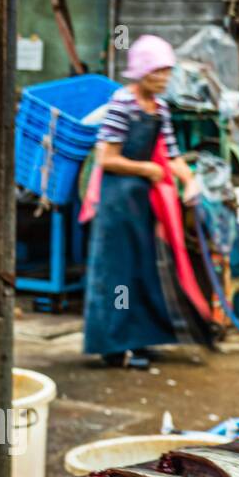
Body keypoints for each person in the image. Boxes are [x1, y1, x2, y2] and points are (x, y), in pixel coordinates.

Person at [82, 34, 202, 370]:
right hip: (116, 200)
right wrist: (145, 168)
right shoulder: (122, 104)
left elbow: (173, 154)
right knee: (117, 272)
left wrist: (190, 181)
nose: (163, 79)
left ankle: (141, 341)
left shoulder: (161, 109)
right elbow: (106, 158)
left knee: (144, 268)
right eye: (157, 73)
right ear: (140, 72)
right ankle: (112, 345)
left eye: (167, 72)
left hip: (142, 202)